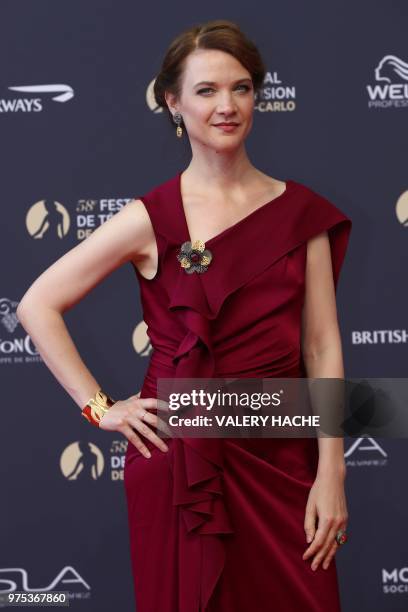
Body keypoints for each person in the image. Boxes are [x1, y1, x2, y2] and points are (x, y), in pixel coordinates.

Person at [17, 19, 351, 612]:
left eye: (241, 88)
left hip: (284, 458)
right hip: (180, 463)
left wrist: (332, 472)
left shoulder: (302, 215)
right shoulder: (151, 217)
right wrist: (102, 408)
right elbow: (38, 304)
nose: (227, 106)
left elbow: (321, 348)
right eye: (206, 90)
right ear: (172, 102)